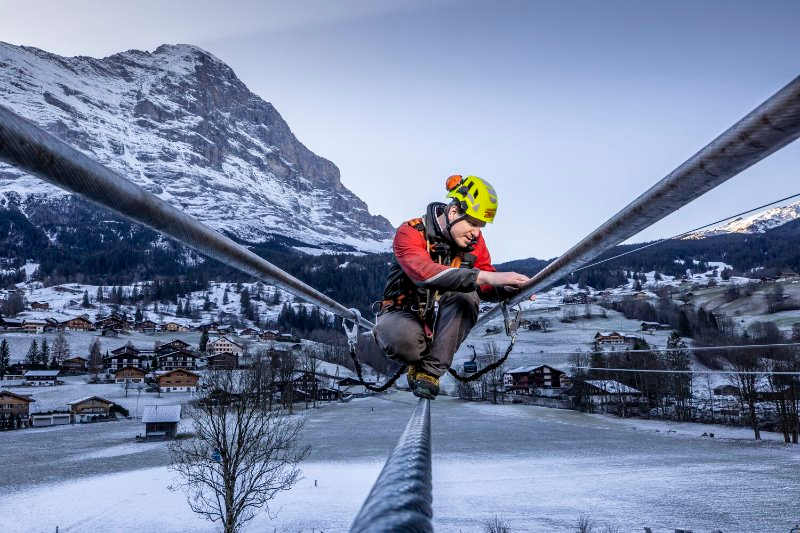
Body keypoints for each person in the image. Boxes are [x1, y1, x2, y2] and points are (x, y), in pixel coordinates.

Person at [373, 175, 531, 399]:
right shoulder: (410, 232)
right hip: (404, 313)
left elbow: (485, 284)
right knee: (404, 341)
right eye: (473, 223)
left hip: (444, 316)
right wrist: (486, 277)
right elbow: (424, 273)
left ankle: (429, 373)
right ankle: (416, 358)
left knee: (467, 296)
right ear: (454, 212)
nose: (476, 232)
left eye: (481, 226)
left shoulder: (474, 242)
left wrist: (508, 288)